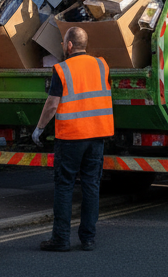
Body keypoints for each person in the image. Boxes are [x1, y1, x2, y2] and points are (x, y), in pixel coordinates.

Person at [30, 27, 113, 252]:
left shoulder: (62, 69)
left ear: (68, 45)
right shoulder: (101, 65)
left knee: (65, 186)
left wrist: (39, 129)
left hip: (71, 136)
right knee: (91, 186)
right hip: (97, 135)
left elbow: (52, 104)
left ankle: (61, 239)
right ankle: (88, 239)